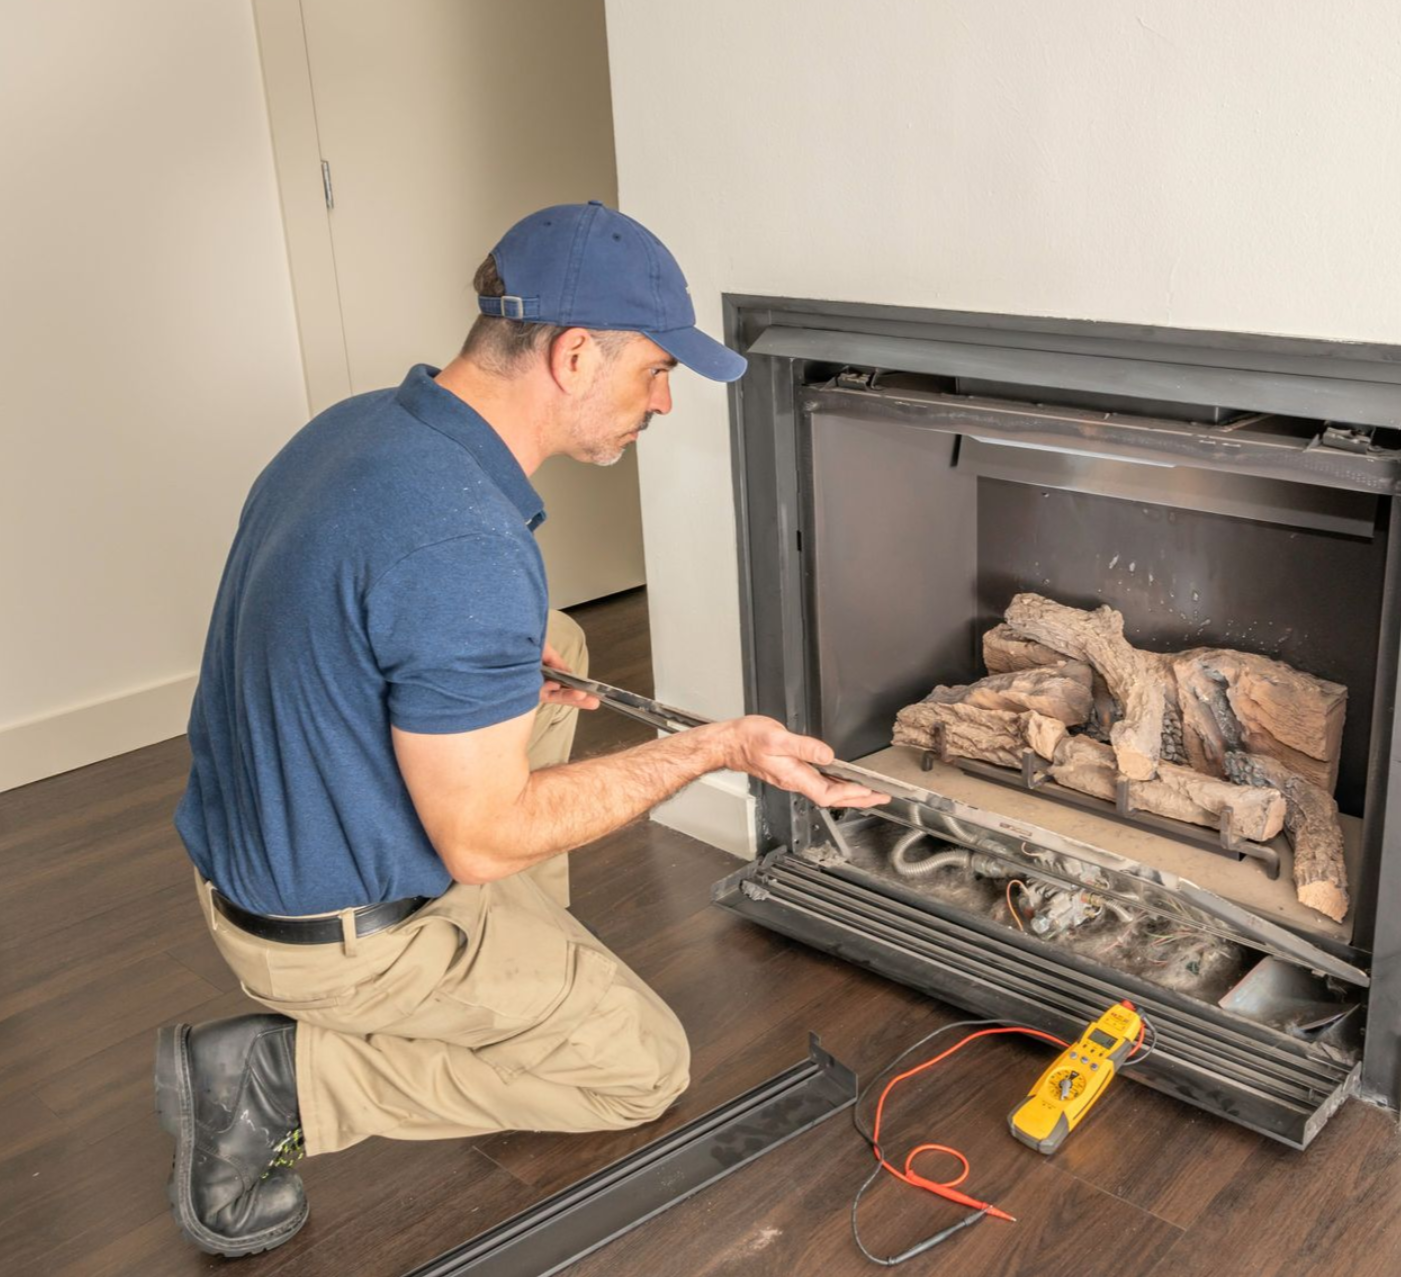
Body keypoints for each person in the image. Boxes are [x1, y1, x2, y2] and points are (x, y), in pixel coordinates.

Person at [155, 202, 885, 1257]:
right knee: (638, 1066)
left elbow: (364, 630)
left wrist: (477, 682)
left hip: (249, 851)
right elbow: (482, 838)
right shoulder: (461, 541)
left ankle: (515, 958)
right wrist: (715, 746)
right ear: (575, 354)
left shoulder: (364, 428)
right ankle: (278, 1078)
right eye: (654, 370)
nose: (665, 401)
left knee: (555, 641)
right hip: (333, 940)